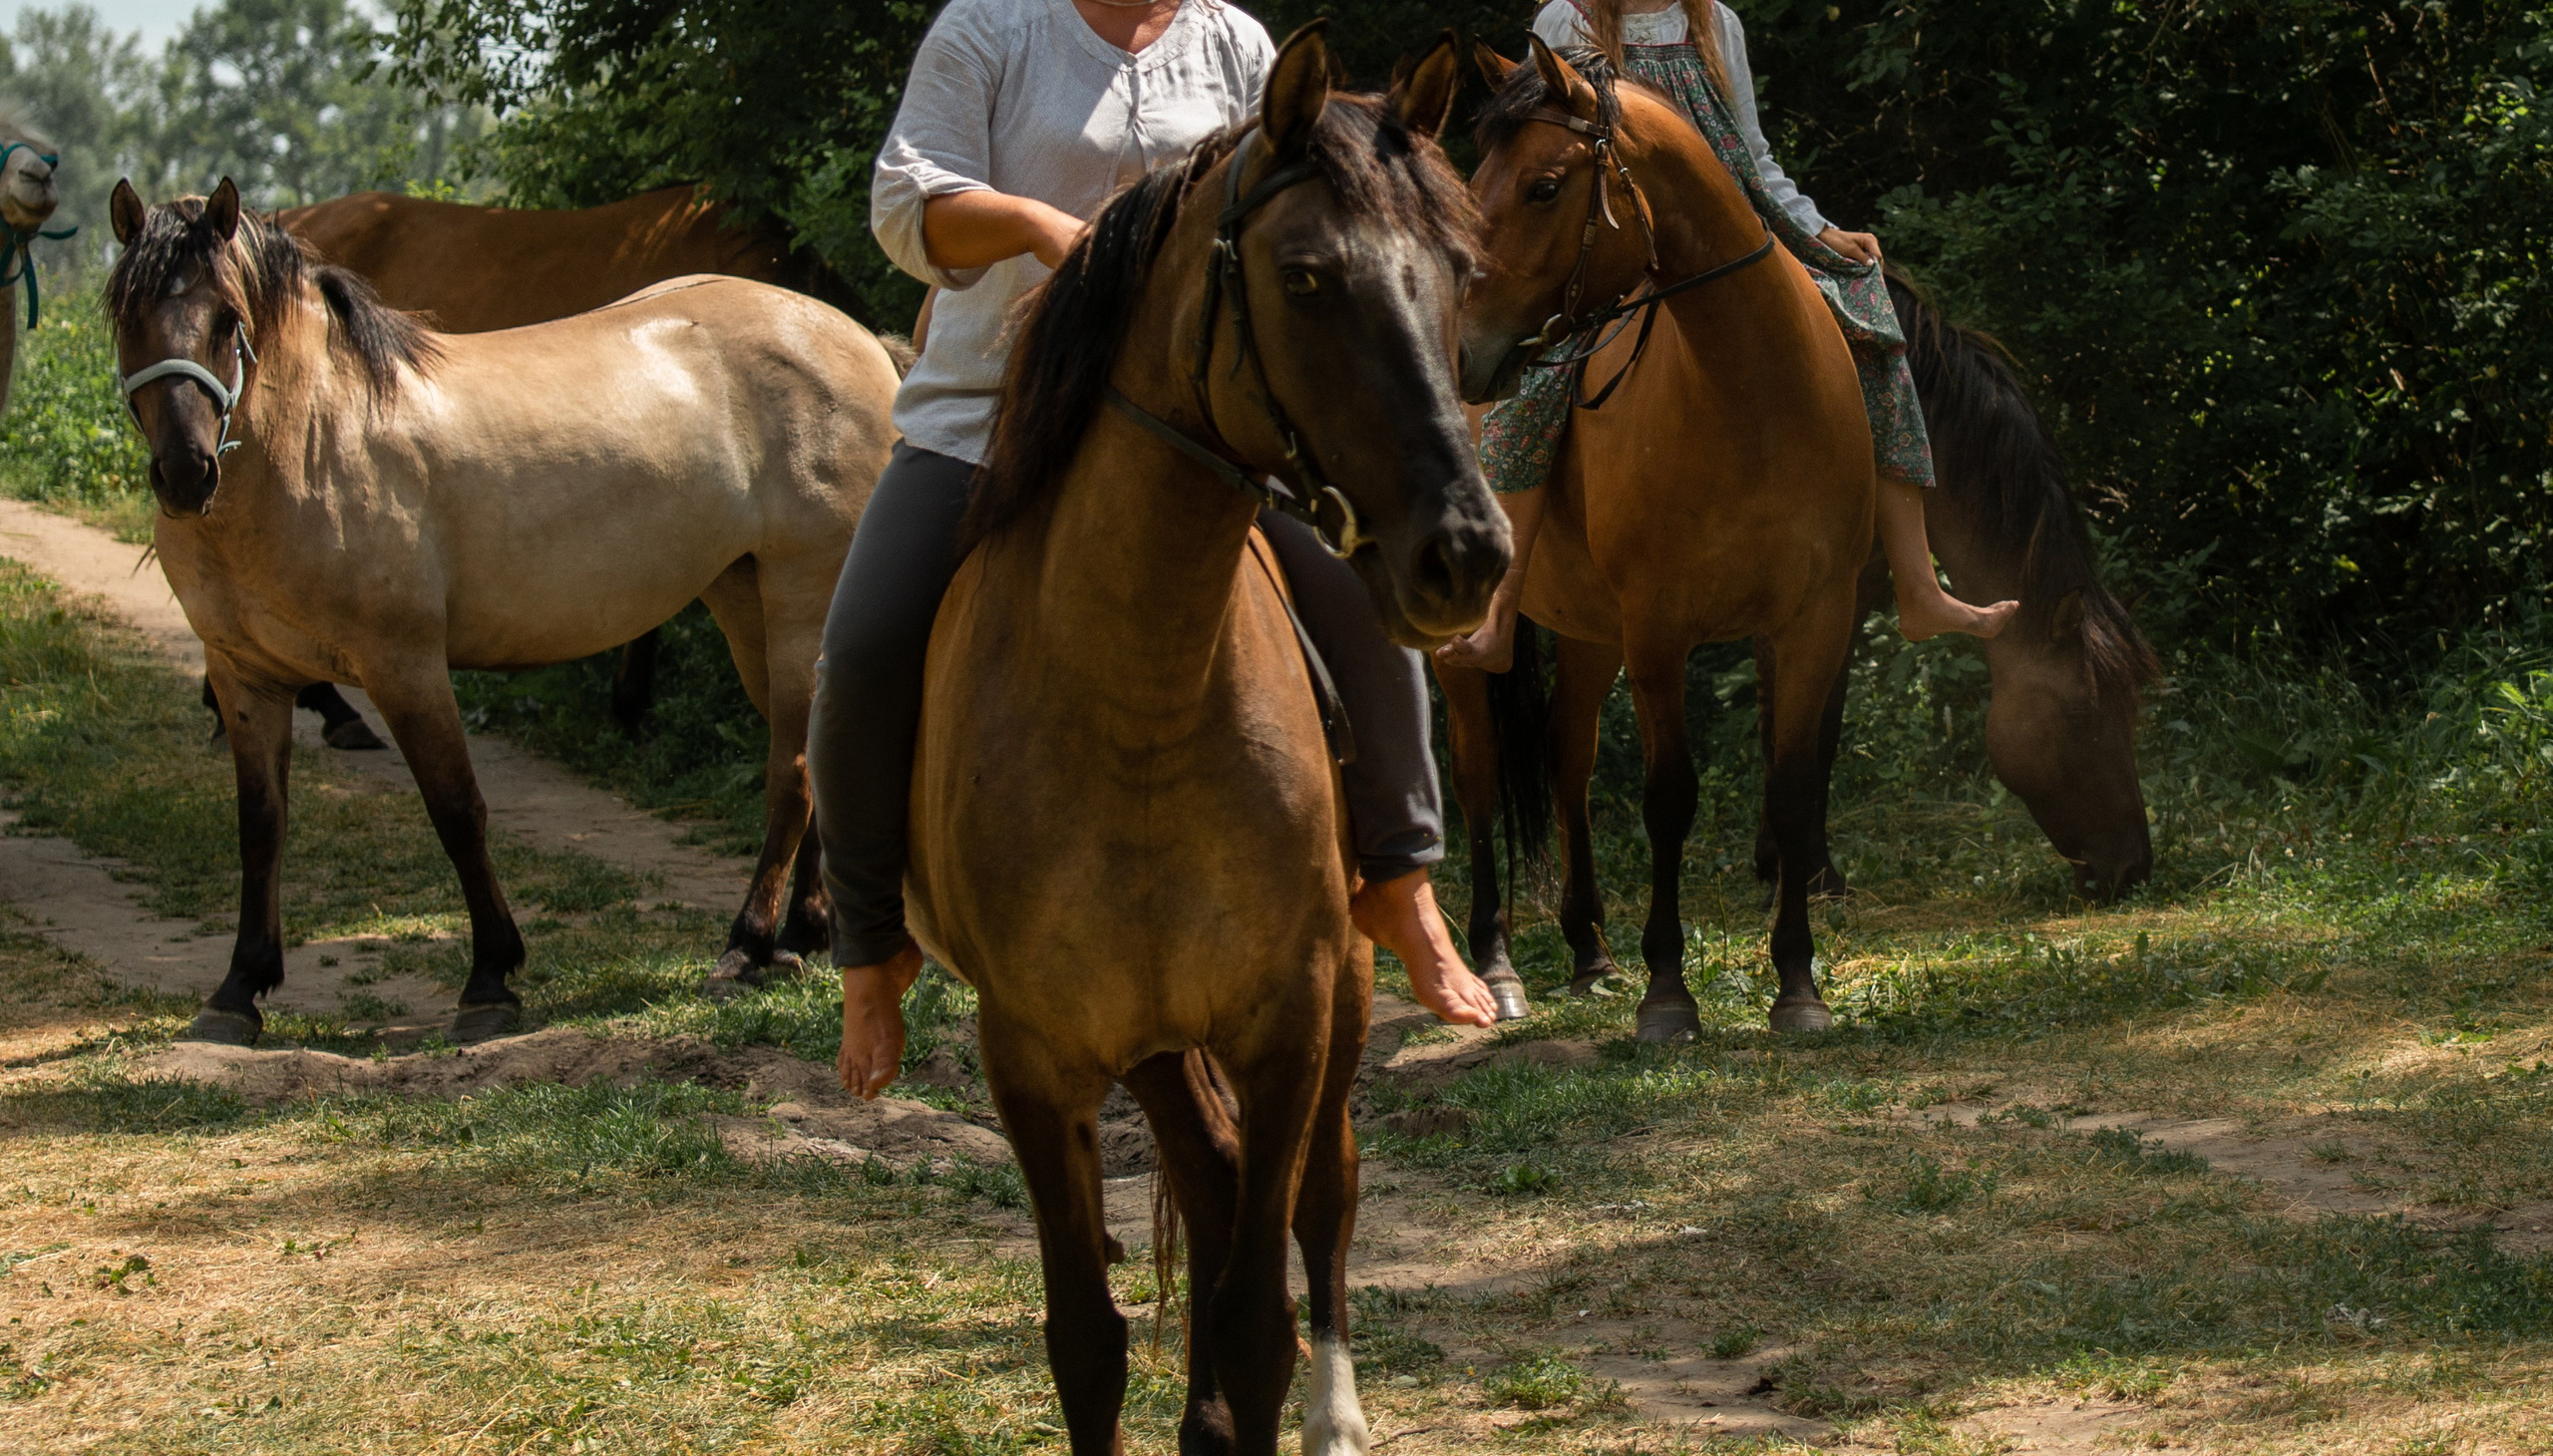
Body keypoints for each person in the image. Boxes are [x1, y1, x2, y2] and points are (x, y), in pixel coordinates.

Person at [815, 0, 1501, 1101]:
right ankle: (868, 948)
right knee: (860, 650)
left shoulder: (1234, 44)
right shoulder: (990, 31)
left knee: (1357, 593)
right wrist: (1041, 229)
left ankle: (1400, 880)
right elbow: (907, 208)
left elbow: (1308, 207)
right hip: (990, 416)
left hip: (1200, 428)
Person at [1435, 0, 2017, 674]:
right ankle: (1501, 613)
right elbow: (1537, 147)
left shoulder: (1714, 20)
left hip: (1726, 231)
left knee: (1870, 312)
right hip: (1622, 233)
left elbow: (1752, 153)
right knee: (1539, 377)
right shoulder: (1567, 20)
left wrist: (1818, 229)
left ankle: (1919, 587)